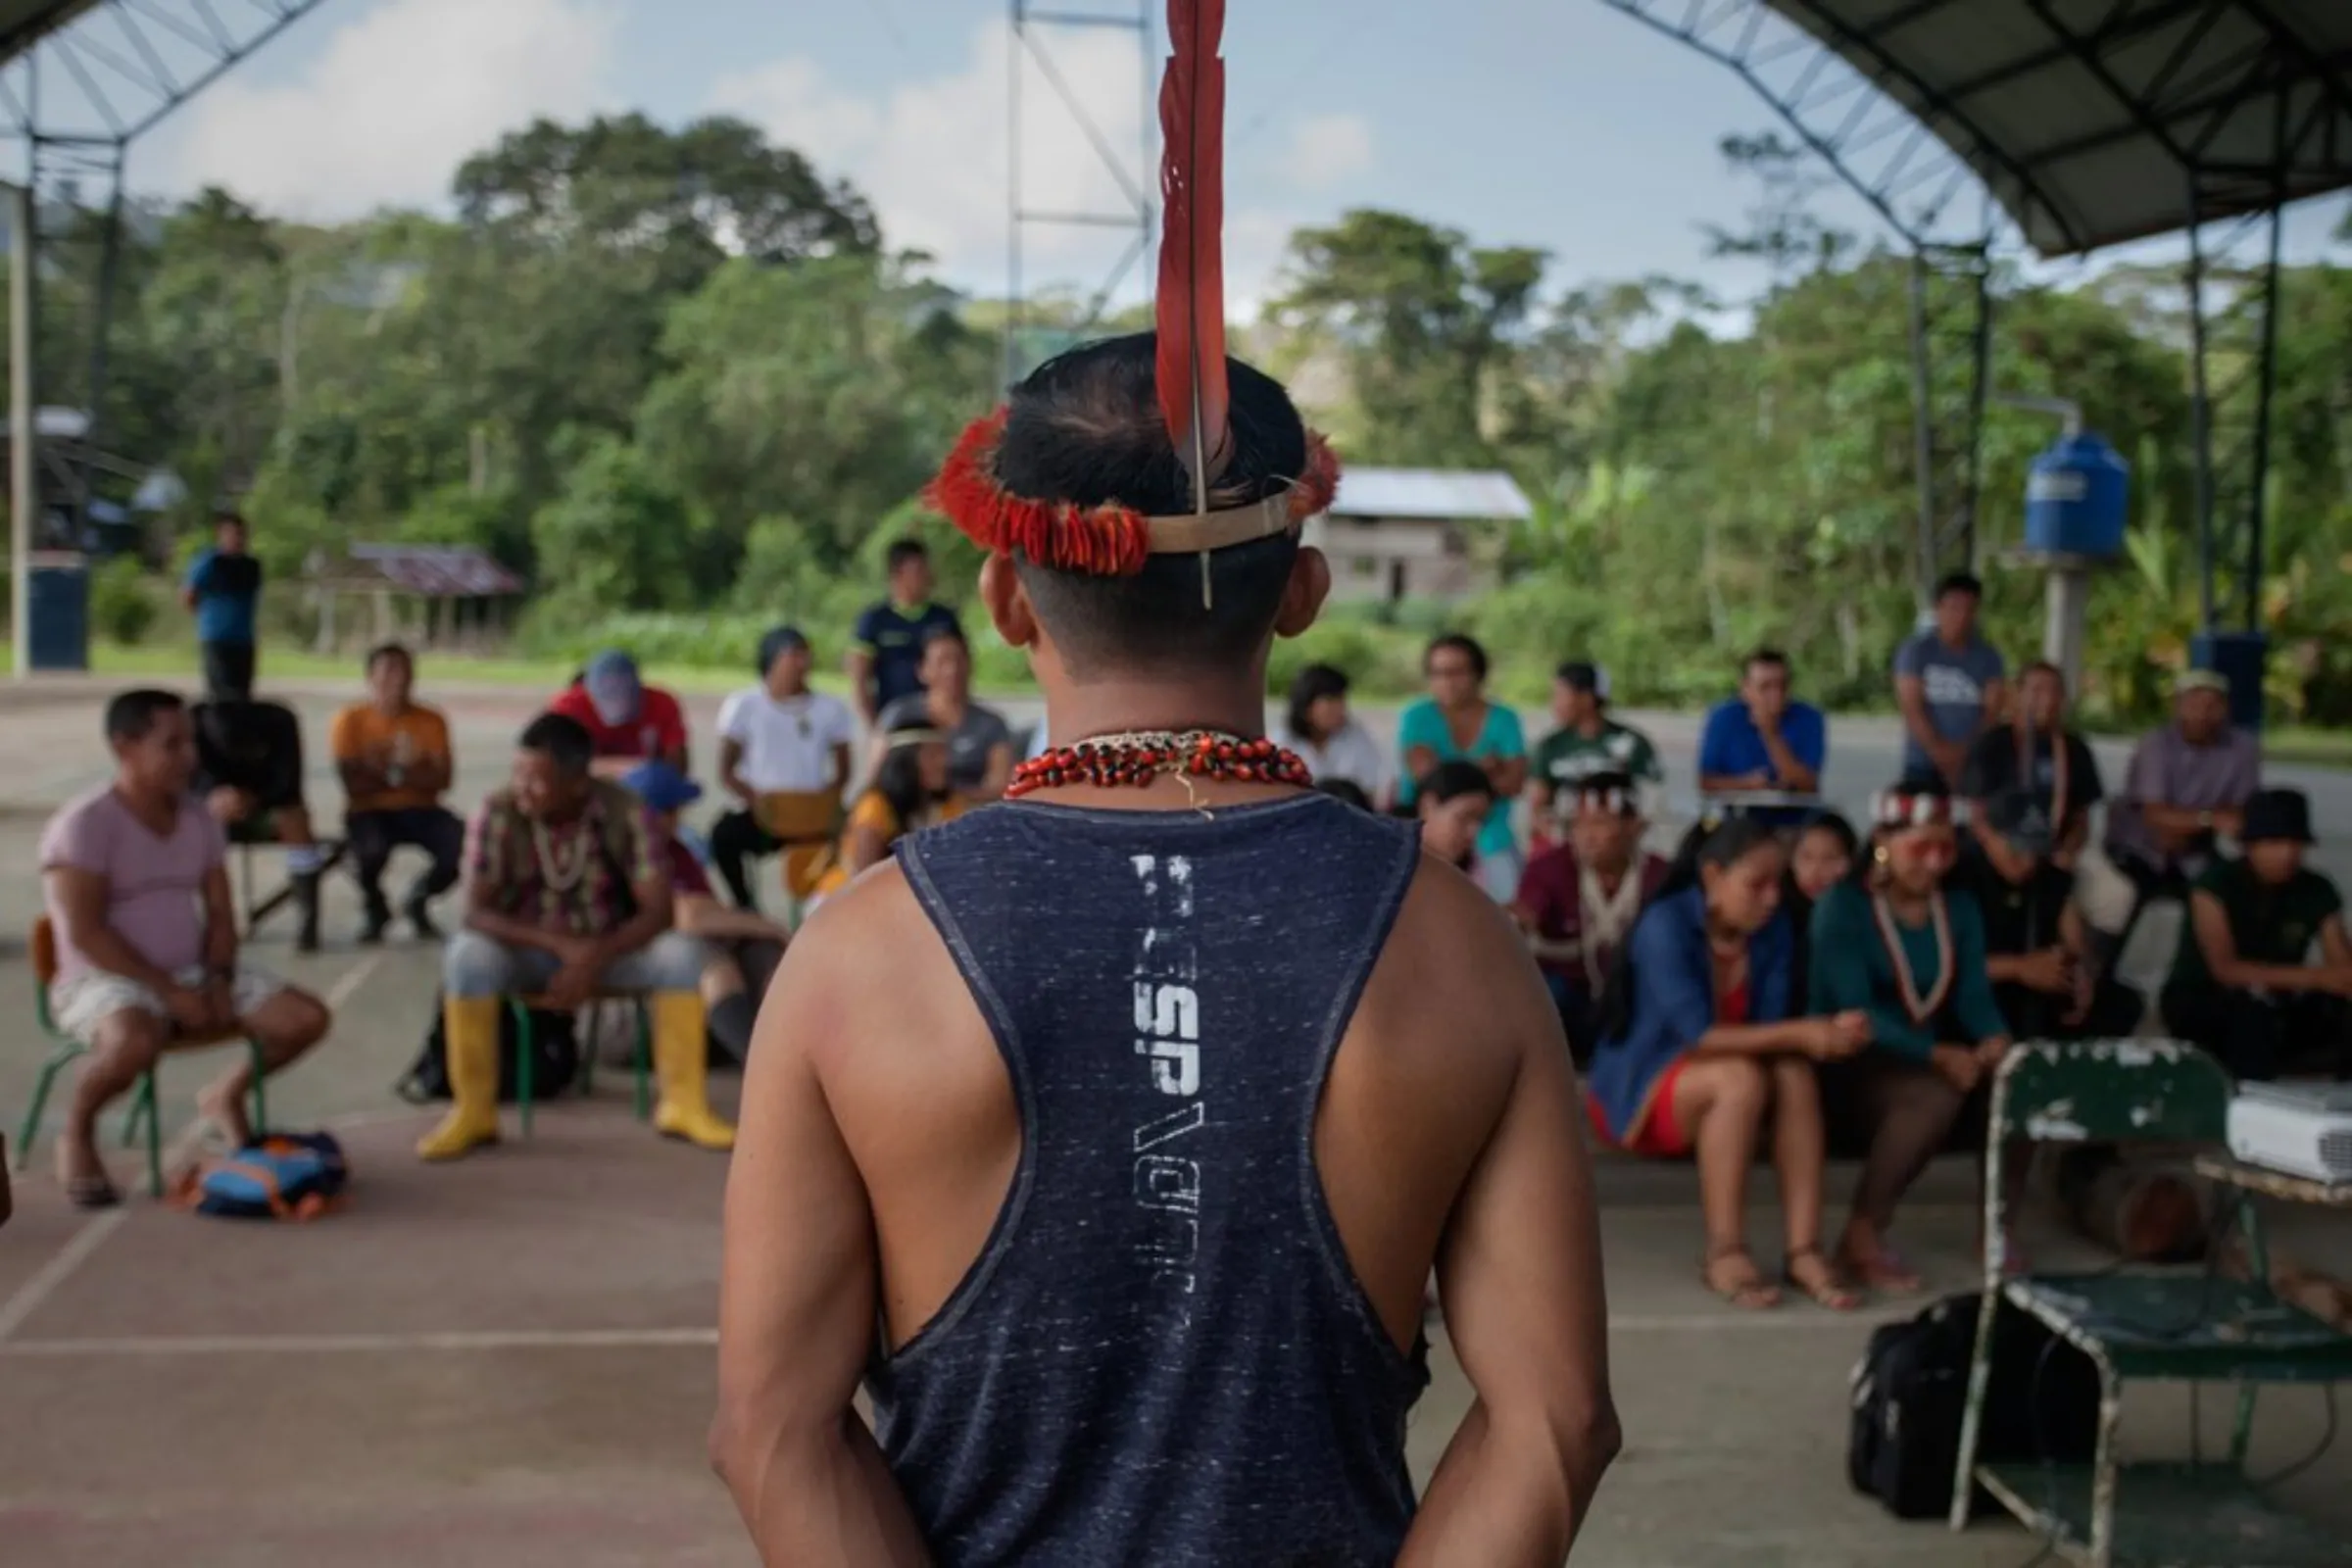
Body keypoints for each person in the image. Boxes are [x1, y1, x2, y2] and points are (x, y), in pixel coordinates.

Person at [712, 330, 1615, 1563]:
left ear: (1005, 595)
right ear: (1301, 596)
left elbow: (773, 1434)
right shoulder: (1457, 946)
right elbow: (1555, 1423)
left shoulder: (859, 957)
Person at [37, 690, 333, 1206]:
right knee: (133, 1042)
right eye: (171, 745)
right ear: (124, 747)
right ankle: (78, 1133)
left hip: (193, 971)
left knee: (304, 1019)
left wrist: (218, 977)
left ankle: (224, 1096)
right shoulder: (84, 825)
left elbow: (221, 913)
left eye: (190, 744)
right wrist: (169, 993)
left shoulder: (199, 820)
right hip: (102, 978)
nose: (190, 758)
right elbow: (85, 933)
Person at [420, 712, 730, 1160]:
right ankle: (473, 1110)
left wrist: (594, 958)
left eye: (536, 778)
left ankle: (683, 1104)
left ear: (577, 784)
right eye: (518, 773)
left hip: (612, 950)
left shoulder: (627, 812)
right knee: (466, 955)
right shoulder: (498, 811)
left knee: (682, 954)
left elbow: (659, 912)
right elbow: (474, 911)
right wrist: (563, 949)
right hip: (525, 953)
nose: (522, 787)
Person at [1587, 817, 1869, 1310]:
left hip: (1733, 1079)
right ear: (1714, 876)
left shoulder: (1772, 928)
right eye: (1755, 884)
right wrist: (1806, 1032)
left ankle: (1803, 1248)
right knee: (1739, 1078)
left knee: (1794, 1072)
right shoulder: (1666, 925)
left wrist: (1830, 1035)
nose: (1771, 898)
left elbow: (1772, 1028)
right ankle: (1725, 1250)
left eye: (1776, 884)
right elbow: (1697, 1035)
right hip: (1646, 1088)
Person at [1809, 779, 2013, 1293]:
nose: (1935, 863)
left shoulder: (1958, 908)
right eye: (1920, 848)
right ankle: (1862, 1232)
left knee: (2016, 1080)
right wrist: (1937, 1053)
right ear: (1882, 842)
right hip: (1849, 1061)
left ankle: (1996, 1226)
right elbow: (1857, 1010)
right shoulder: (1843, 906)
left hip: (1926, 1058)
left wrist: (1993, 1039)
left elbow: (1972, 995)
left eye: (1946, 849)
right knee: (1932, 1095)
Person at [2161, 788, 2352, 1081]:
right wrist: (2317, 977)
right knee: (2248, 1016)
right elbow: (2225, 970)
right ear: (2249, 846)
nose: (2287, 854)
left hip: (2278, 999)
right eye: (2275, 843)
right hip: (2205, 997)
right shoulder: (2214, 885)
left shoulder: (2316, 889)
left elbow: (2340, 964)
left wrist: (2338, 979)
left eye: (2295, 844)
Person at [625, 760, 793, 1067]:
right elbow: (690, 916)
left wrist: (757, 930)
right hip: (645, 950)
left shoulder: (677, 851)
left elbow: (705, 906)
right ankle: (758, 1065)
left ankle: (791, 1058)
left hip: (694, 935)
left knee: (767, 956)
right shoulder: (626, 853)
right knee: (715, 964)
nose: (678, 818)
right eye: (671, 811)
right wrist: (767, 925)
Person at [2095, 667, 2261, 956]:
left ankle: (2219, 981)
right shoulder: (2156, 744)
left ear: (2225, 709)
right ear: (2177, 706)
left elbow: (2242, 812)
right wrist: (2209, 819)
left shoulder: (2242, 747)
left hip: (2196, 850)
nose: (2202, 713)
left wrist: (2189, 823)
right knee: (2120, 902)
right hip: (2139, 847)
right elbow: (2155, 816)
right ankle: (2100, 979)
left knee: (2237, 895)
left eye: (2212, 705)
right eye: (2193, 703)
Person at [1514, 772, 1670, 1059]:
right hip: (1572, 1000)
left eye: (1599, 823)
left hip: (1635, 1000)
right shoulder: (1548, 869)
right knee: (1546, 992)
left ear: (1634, 826)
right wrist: (1520, 920)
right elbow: (1527, 912)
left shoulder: (1661, 876)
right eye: (1577, 825)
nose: (1586, 836)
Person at [709, 627, 857, 911]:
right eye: (793, 656)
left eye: (805, 655)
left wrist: (827, 799)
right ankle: (745, 905)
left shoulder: (830, 708)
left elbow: (843, 772)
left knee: (864, 833)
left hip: (814, 815)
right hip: (766, 814)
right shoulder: (744, 705)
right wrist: (754, 800)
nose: (802, 664)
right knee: (723, 837)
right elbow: (726, 770)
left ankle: (833, 907)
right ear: (771, 661)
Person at [329, 643, 466, 943]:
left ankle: (420, 896)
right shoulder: (350, 720)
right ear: (370, 677)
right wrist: (410, 771)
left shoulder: (432, 720)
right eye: (389, 670)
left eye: (405, 670)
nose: (398, 679)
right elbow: (352, 781)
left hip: (422, 808)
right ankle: (375, 907)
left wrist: (381, 771)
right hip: (369, 809)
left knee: (461, 842)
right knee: (367, 851)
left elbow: (442, 778)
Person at [1396, 633, 1528, 902]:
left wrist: (1453, 774)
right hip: (1422, 827)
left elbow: (1514, 783)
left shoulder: (1504, 718)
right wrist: (1487, 769)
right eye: (1437, 673)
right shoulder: (1416, 716)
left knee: (1507, 897)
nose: (1446, 681)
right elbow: (1426, 776)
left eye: (1456, 672)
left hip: (1491, 832)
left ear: (1478, 674)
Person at [808, 719, 970, 902]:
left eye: (944, 753)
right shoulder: (875, 806)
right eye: (932, 754)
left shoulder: (949, 805)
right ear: (905, 760)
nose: (943, 762)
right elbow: (864, 881)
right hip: (844, 905)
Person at [876, 625, 1013, 802]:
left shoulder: (991, 724)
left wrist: (948, 799)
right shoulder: (898, 714)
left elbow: (998, 787)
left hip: (969, 813)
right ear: (922, 670)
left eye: (959, 660)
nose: (952, 670)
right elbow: (876, 775)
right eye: (942, 662)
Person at [1893, 571, 2005, 787]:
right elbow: (1912, 708)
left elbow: (1992, 713)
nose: (1961, 616)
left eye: (1969, 609)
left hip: (1973, 762)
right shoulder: (1916, 651)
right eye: (1953, 608)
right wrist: (1940, 752)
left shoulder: (1989, 658)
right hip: (1923, 763)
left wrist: (1965, 754)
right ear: (1938, 608)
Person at [1697, 649, 1827, 822]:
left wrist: (1771, 734)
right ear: (1746, 688)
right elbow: (1706, 783)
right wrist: (1747, 785)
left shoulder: (1809, 718)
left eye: (1782, 686)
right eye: (1765, 687)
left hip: (1793, 821)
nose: (1776, 695)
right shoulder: (1724, 717)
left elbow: (1809, 786)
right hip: (1736, 821)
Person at [848, 538, 964, 727]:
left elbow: (963, 666)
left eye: (926, 569)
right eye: (918, 571)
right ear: (897, 574)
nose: (927, 576)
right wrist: (874, 726)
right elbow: (860, 678)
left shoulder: (944, 618)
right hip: (892, 718)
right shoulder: (875, 620)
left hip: (940, 720)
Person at [547, 650, 691, 778]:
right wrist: (627, 768)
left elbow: (677, 766)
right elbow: (558, 765)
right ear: (588, 692)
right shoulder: (567, 708)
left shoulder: (662, 704)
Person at [1279, 662, 1391, 805]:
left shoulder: (1355, 734)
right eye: (1331, 701)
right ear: (1307, 706)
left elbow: (1371, 788)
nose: (1341, 709)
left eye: (1342, 700)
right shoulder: (1281, 743)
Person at [180, 510, 264, 700]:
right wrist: (206, 619)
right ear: (220, 534)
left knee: (242, 694)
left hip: (243, 638)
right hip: (217, 637)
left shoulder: (251, 566)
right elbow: (189, 594)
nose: (237, 539)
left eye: (241, 534)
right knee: (221, 695)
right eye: (232, 533)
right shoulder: (209, 562)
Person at [1416, 759, 1498, 881]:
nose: (1474, 832)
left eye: (1481, 821)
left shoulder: (1472, 874)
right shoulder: (1389, 865)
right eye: (1464, 817)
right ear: (1428, 807)